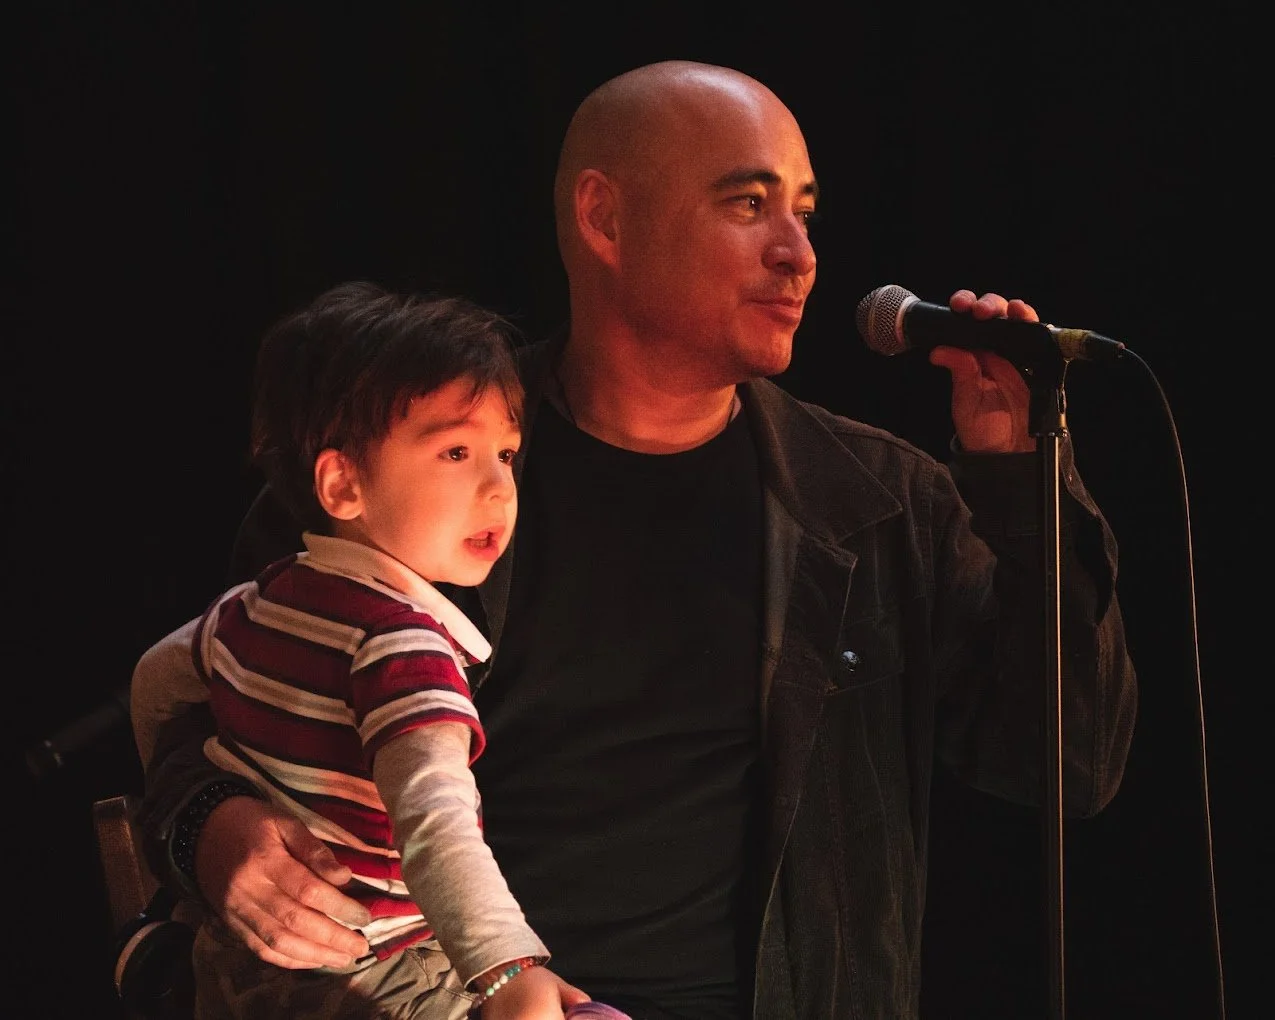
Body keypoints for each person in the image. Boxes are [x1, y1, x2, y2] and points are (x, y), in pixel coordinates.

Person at [130, 60, 1138, 1019]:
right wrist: (210, 825)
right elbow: (206, 703)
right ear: (604, 218)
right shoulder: (395, 464)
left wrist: (1020, 484)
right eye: (749, 204)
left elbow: (1068, 764)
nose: (799, 251)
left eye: (803, 210)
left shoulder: (880, 503)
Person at [148, 280, 598, 1018]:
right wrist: (507, 973)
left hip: (234, 968)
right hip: (375, 973)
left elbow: (153, 684)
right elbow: (433, 821)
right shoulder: (401, 649)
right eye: (456, 451)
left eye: (507, 454)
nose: (498, 487)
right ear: (342, 484)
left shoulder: (255, 602)